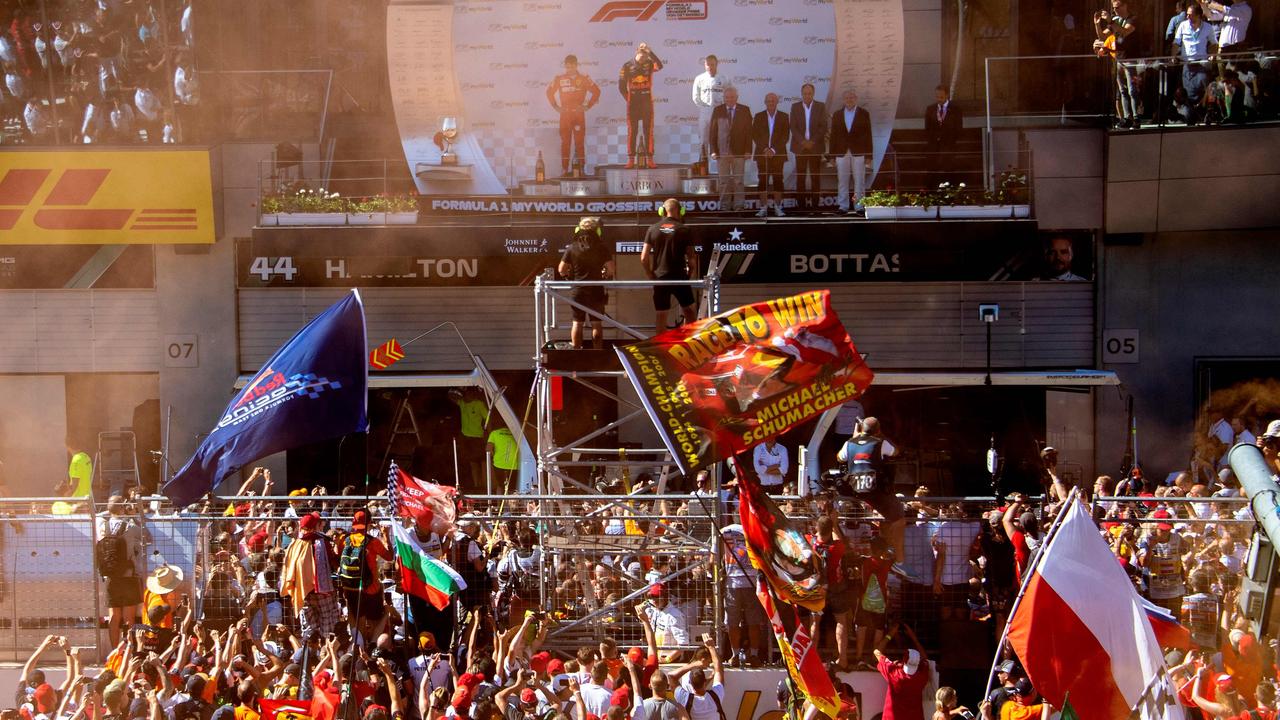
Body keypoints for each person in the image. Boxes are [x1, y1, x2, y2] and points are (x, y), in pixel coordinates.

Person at [838, 417, 907, 569]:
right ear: (878, 430)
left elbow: (839, 457)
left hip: (853, 490)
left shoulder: (849, 443)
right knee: (899, 520)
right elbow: (896, 452)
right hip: (875, 491)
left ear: (861, 429)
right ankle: (900, 562)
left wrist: (854, 438)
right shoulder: (880, 442)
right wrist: (881, 437)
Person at [640, 198, 699, 334]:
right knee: (689, 312)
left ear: (662, 211)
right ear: (681, 211)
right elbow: (691, 257)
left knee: (661, 315)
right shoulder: (685, 230)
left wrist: (650, 274)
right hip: (679, 277)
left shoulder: (652, 229)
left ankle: (661, 348)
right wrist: (690, 273)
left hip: (660, 278)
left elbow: (643, 258)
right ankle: (687, 343)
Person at [281, 511, 340, 641]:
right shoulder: (322, 542)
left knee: (309, 629)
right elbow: (334, 561)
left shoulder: (294, 544)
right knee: (327, 624)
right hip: (323, 593)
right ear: (316, 525)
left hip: (303, 592)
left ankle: (309, 655)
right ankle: (326, 653)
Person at [558, 216, 616, 349]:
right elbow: (611, 269)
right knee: (596, 323)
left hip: (578, 290)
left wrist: (568, 276)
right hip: (596, 290)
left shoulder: (572, 247)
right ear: (597, 231)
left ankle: (577, 353)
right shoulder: (602, 247)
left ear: (578, 230)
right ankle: (597, 353)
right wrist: (605, 274)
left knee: (577, 323)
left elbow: (561, 269)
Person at [336, 509, 391, 644]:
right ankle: (371, 647)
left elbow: (338, 556)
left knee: (356, 618)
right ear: (369, 524)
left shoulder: (344, 539)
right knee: (373, 621)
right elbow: (389, 556)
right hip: (371, 588)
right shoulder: (373, 542)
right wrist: (386, 535)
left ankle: (359, 647)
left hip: (350, 588)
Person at [98, 495, 146, 648]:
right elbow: (147, 537)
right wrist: (133, 516)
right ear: (122, 508)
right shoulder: (130, 527)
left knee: (114, 616)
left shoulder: (102, 527)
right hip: (128, 576)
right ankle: (129, 650)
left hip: (110, 577)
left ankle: (114, 651)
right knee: (129, 617)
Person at [546, 54, 600, 175]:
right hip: (565, 115)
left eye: (571, 67)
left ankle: (581, 168)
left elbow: (597, 91)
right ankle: (564, 169)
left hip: (578, 114)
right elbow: (549, 92)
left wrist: (587, 106)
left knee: (579, 142)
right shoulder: (559, 78)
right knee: (565, 143)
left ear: (576, 65)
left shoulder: (584, 78)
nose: (569, 69)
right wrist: (555, 106)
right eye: (567, 67)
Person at [718, 526, 763, 667]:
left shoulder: (724, 531)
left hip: (745, 581)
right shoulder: (752, 527)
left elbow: (715, 556)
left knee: (738, 621)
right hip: (743, 582)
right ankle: (746, 655)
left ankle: (738, 654)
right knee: (745, 621)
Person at [1093, 0, 1138, 129]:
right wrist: (1097, 25)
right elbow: (1103, 37)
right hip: (1118, 58)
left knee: (1132, 89)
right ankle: (1126, 117)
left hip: (1130, 58)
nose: (1115, 11)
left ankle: (1136, 118)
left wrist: (1111, 20)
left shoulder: (1132, 19)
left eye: (1117, 8)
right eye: (1113, 8)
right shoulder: (1115, 19)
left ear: (1125, 5)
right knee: (1122, 90)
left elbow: (1124, 32)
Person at [618, 43, 664, 168]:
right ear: (636, 53)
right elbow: (621, 86)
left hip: (647, 101)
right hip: (633, 103)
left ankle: (650, 159)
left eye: (646, 56)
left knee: (648, 130)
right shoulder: (627, 66)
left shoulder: (649, 63)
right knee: (632, 131)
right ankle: (631, 159)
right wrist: (628, 99)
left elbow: (660, 66)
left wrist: (651, 52)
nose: (644, 59)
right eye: (642, 56)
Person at [708, 87, 752, 213]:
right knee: (723, 182)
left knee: (738, 181)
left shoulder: (744, 110)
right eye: (727, 97)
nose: (729, 99)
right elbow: (713, 133)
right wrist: (713, 150)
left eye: (732, 97)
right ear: (724, 98)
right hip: (722, 153)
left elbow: (749, 132)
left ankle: (739, 206)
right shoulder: (718, 110)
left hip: (739, 152)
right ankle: (724, 207)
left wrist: (748, 150)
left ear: (736, 98)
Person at [1173, 4, 1218, 124]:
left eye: (1190, 14)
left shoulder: (1208, 27)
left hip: (1201, 65)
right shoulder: (1183, 25)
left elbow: (1214, 44)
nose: (1187, 16)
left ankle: (1208, 113)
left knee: (1206, 88)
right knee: (1188, 93)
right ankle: (1190, 116)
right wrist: (1173, 56)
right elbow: (1176, 43)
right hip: (1187, 65)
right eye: (1187, 14)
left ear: (1198, 15)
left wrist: (1212, 55)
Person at [829, 90, 872, 215]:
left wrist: (869, 155)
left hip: (859, 151)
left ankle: (859, 207)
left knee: (859, 179)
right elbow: (833, 136)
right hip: (841, 152)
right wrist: (832, 155)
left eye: (852, 97)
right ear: (843, 100)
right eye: (847, 98)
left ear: (856, 99)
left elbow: (868, 134)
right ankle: (843, 206)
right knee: (842, 179)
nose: (849, 100)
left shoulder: (864, 113)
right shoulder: (837, 114)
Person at [789, 83, 828, 213]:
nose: (807, 95)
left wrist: (812, 141)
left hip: (815, 147)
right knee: (800, 178)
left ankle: (815, 207)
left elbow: (823, 126)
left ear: (813, 94)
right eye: (805, 93)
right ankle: (801, 207)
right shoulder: (795, 107)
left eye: (809, 93)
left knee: (815, 178)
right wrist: (803, 141)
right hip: (800, 147)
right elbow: (793, 127)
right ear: (802, 94)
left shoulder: (820, 106)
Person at [752, 92, 789, 217]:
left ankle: (778, 207)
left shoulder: (784, 116)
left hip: (778, 154)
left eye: (773, 100)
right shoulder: (758, 116)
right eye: (768, 101)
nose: (771, 103)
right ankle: (763, 208)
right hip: (762, 154)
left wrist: (773, 150)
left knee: (778, 180)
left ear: (777, 102)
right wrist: (765, 149)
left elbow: (785, 137)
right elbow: (755, 135)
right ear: (765, 102)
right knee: (763, 180)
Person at [672, 638, 725, 720]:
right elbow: (719, 670)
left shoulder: (685, 698)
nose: (709, 663)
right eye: (709, 661)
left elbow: (672, 677)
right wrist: (711, 647)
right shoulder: (716, 696)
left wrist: (694, 665)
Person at [873, 648, 930, 720]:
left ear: (904, 661)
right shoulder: (922, 677)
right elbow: (926, 662)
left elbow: (877, 654)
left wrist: (896, 664)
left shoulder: (894, 673)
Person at [923, 85, 963, 186]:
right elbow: (927, 128)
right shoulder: (930, 109)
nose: (939, 99)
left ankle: (949, 191)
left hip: (949, 146)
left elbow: (959, 128)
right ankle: (932, 192)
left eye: (941, 97)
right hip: (934, 147)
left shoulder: (955, 109)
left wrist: (950, 140)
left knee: (949, 170)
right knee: (932, 170)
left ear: (947, 96)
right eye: (937, 97)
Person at [691, 55, 726, 166]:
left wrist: (721, 107)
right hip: (705, 112)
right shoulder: (699, 78)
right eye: (708, 64)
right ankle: (703, 164)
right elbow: (695, 97)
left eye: (712, 64)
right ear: (704, 65)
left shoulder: (724, 78)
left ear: (717, 64)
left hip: (720, 113)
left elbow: (729, 95)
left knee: (720, 138)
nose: (710, 67)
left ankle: (720, 165)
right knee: (703, 140)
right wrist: (704, 107)